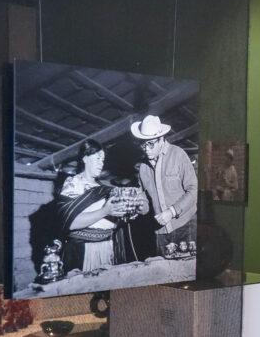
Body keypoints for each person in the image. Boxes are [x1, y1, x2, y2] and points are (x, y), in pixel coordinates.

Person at [56, 140, 127, 274]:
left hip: (107, 248)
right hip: (84, 251)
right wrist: (105, 211)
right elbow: (70, 222)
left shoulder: (103, 187)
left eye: (103, 160)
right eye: (97, 158)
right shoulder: (74, 183)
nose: (101, 163)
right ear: (85, 158)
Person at [131, 115, 197, 256]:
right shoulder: (143, 168)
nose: (146, 149)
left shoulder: (178, 155)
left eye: (150, 144)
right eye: (143, 144)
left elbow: (194, 190)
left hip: (185, 226)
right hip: (161, 233)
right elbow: (145, 204)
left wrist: (172, 211)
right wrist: (137, 206)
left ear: (161, 139)